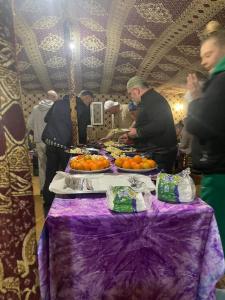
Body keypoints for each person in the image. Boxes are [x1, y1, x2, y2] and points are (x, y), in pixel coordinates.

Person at [186, 21, 225, 253]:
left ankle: (215, 285)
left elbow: (199, 125)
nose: (203, 61)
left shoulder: (220, 81)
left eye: (208, 54)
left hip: (219, 172)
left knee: (215, 238)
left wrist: (195, 98)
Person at [42, 90, 94, 215]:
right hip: (66, 145)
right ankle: (64, 202)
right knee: (66, 174)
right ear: (86, 98)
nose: (89, 104)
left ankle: (48, 200)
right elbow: (81, 131)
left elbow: (46, 119)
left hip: (50, 142)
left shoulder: (58, 103)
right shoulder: (82, 108)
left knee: (50, 171)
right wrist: (83, 145)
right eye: (90, 101)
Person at [121, 76, 177, 173]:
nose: (131, 97)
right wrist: (131, 137)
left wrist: (137, 132)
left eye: (131, 94)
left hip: (161, 153)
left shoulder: (153, 100)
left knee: (156, 184)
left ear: (136, 91)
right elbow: (146, 123)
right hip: (157, 152)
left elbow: (160, 125)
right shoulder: (148, 99)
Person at [27, 90, 58, 192]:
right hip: (51, 141)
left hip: (39, 141)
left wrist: (37, 132)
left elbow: (29, 124)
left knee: (41, 166)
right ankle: (52, 189)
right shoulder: (55, 107)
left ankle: (42, 189)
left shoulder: (36, 108)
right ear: (53, 98)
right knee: (53, 165)